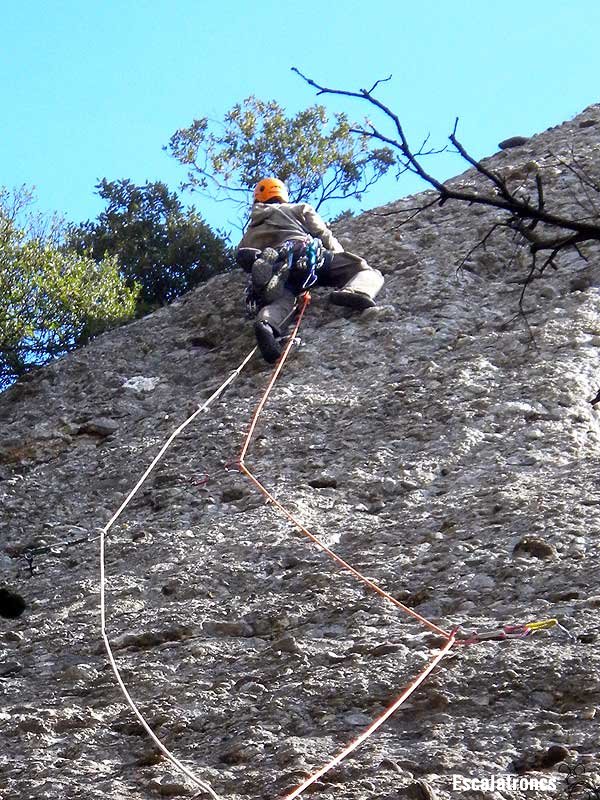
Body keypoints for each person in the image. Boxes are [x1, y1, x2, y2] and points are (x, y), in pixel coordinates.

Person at [237, 177, 384, 363]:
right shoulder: (298, 208)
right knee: (360, 268)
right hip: (304, 256)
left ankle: (266, 324)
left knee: (284, 299)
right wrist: (337, 254)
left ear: (258, 198)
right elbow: (323, 234)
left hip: (277, 269)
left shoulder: (250, 230)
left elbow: (242, 253)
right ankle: (355, 291)